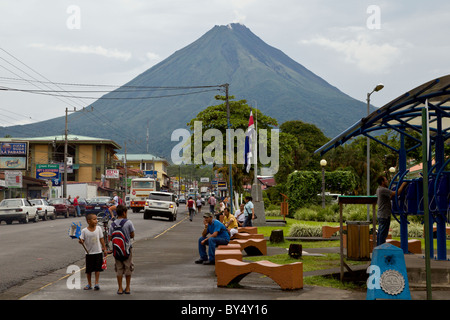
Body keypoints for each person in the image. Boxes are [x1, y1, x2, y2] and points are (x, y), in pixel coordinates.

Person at [108, 204, 135, 294]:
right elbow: (132, 235)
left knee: (119, 269)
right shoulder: (128, 222)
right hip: (127, 249)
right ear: (124, 213)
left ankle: (120, 288)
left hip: (116, 250)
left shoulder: (112, 224)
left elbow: (110, 237)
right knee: (128, 268)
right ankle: (127, 288)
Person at [376, 175, 407, 246]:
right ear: (382, 182)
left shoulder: (379, 189)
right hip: (384, 215)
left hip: (383, 214)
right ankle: (381, 248)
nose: (387, 181)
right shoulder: (383, 190)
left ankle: (380, 247)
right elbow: (397, 193)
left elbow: (390, 197)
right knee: (382, 233)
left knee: (381, 233)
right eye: (385, 180)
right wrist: (403, 184)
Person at [79, 213, 107, 290]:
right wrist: (81, 241)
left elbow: (101, 239)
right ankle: (89, 284)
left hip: (98, 252)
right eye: (94, 219)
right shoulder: (84, 231)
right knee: (89, 270)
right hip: (89, 253)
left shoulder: (98, 229)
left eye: (96, 219)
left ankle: (96, 283)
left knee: (97, 269)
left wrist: (104, 248)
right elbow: (82, 240)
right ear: (89, 221)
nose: (96, 220)